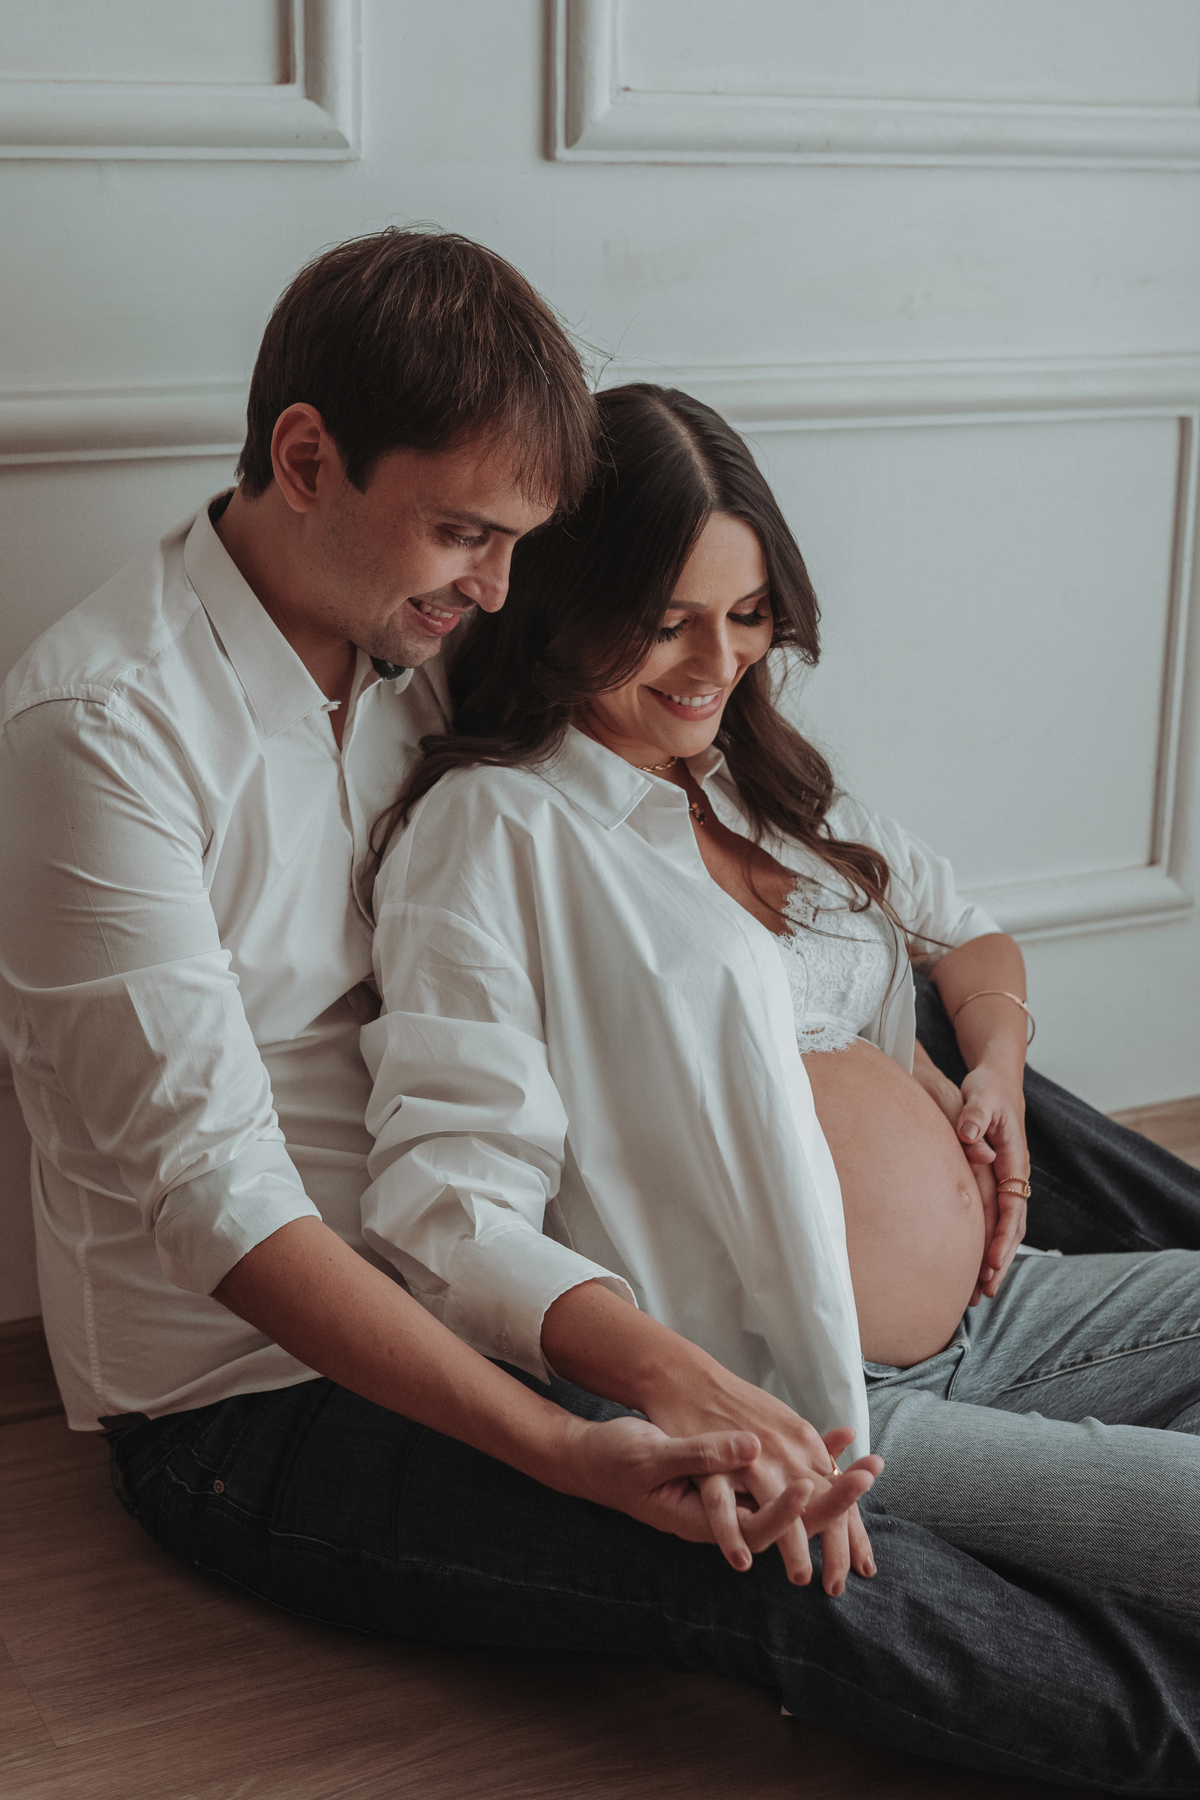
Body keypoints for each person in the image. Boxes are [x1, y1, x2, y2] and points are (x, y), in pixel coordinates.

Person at [2, 234, 1199, 1794]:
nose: (500, 588)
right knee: (767, 1556)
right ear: (305, 459)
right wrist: (584, 1433)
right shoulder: (101, 733)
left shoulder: (427, 638)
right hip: (269, 1393)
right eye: (466, 533)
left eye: (522, 545)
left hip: (548, 1279)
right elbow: (222, 1202)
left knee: (889, 1009)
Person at [360, 384, 1200, 1641]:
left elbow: (962, 928)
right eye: (667, 625)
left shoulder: (761, 784)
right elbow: (453, 1213)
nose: (719, 663)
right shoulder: (495, 832)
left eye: (747, 615)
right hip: (817, 1404)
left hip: (1006, 1310)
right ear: (565, 608)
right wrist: (688, 1392)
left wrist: (997, 1069)